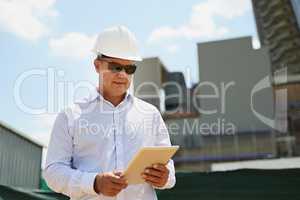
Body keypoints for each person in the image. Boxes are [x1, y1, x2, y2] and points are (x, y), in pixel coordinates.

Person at [43, 25, 176, 200]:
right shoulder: (70, 116)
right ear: (97, 65)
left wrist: (165, 177)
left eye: (129, 69)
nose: (123, 75)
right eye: (115, 67)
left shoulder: (150, 114)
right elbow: (53, 172)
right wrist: (94, 183)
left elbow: (169, 168)